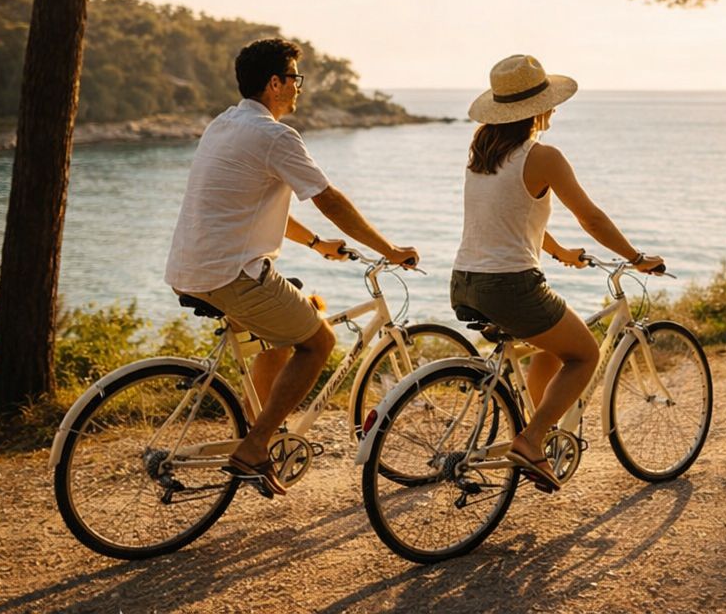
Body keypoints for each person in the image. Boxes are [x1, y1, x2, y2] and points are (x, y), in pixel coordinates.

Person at [165, 37, 418, 498]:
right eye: (295, 79)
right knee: (318, 340)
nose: (299, 88)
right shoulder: (275, 135)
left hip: (191, 267)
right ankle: (255, 446)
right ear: (276, 83)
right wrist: (389, 248)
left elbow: (255, 204)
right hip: (233, 274)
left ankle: (256, 427)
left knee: (278, 341)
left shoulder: (223, 124)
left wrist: (317, 244)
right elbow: (328, 198)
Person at [451, 54, 663, 492]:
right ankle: (529, 440)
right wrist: (635, 255)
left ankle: (535, 429)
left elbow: (511, 215)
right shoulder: (543, 156)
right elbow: (592, 219)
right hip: (511, 285)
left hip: (466, 281)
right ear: (540, 108)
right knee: (584, 353)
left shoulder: (482, 155)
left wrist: (559, 250)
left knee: (548, 349)